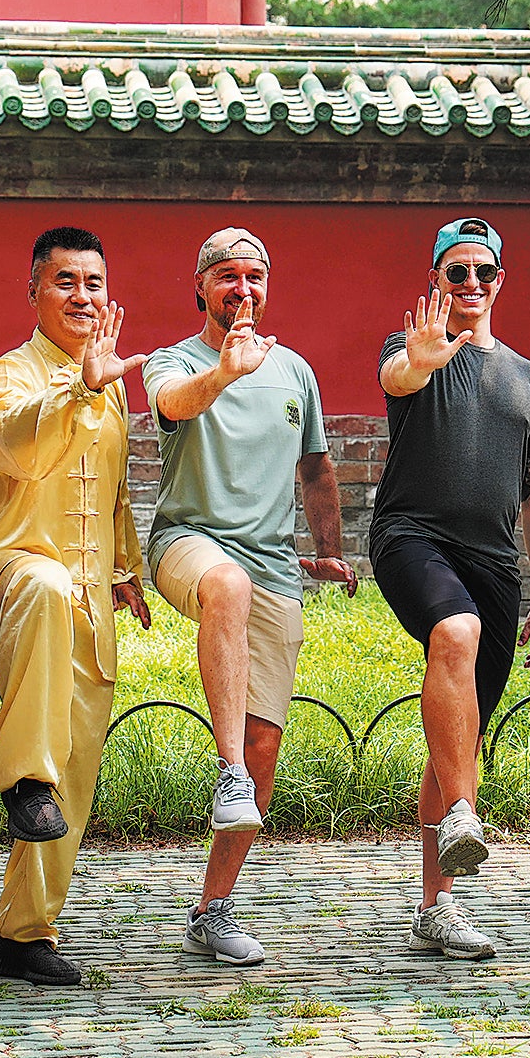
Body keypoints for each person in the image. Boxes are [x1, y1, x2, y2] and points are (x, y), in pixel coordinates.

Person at [143, 227, 356, 967]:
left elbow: (318, 467)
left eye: (255, 278)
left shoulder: (294, 369)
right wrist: (225, 374)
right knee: (225, 585)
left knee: (268, 744)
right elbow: (172, 405)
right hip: (186, 545)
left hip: (274, 566)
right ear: (200, 286)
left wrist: (328, 551)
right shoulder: (175, 361)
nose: (242, 290)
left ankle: (214, 908)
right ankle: (226, 768)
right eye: (227, 277)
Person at [0, 226, 152, 987]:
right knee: (40, 585)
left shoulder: (113, 385)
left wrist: (127, 568)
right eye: (66, 281)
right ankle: (21, 779)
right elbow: (20, 447)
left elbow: (115, 490)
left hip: (85, 601)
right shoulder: (10, 374)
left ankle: (22, 936)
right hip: (6, 580)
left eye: (94, 284)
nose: (82, 296)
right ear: (34, 291)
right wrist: (82, 385)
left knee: (75, 770)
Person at [372, 216, 530, 962]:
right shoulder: (411, 346)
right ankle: (461, 810)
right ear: (436, 281)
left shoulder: (529, 377)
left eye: (484, 273)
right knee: (455, 632)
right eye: (457, 273)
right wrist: (419, 361)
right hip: (411, 537)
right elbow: (397, 378)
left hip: (493, 559)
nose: (472, 285)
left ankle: (436, 906)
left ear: (500, 282)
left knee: (459, 731)